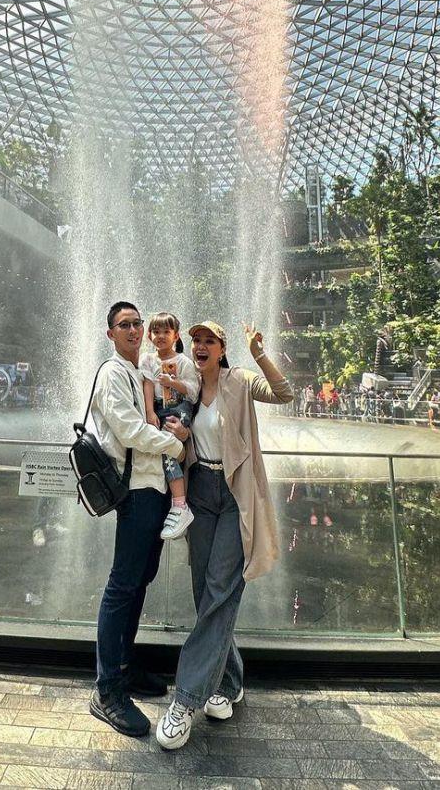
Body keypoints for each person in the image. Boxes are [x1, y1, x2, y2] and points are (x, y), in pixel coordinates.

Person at [156, 321, 293, 750]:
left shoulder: (239, 380)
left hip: (234, 496)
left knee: (220, 587)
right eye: (195, 340)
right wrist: (177, 432)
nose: (199, 346)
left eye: (208, 341)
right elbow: (175, 428)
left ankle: (186, 698)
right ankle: (228, 681)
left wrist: (260, 354)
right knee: (205, 593)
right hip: (200, 492)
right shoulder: (189, 384)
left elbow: (284, 394)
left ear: (221, 349)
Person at [89, 300, 188, 739]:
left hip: (155, 490)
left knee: (140, 579)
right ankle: (106, 689)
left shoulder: (140, 371)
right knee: (122, 585)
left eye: (136, 323)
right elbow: (128, 430)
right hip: (134, 491)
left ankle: (124, 667)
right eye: (123, 325)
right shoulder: (113, 373)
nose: (133, 330)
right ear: (110, 334)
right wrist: (174, 445)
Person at [141, 312, 199, 541]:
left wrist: (172, 382)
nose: (161, 336)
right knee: (164, 451)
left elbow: (193, 393)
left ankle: (180, 505)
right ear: (149, 335)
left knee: (168, 451)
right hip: (158, 408)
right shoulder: (147, 360)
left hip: (179, 408)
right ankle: (175, 503)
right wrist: (149, 412)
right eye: (156, 332)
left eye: (166, 332)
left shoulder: (184, 362)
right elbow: (147, 386)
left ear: (176, 335)